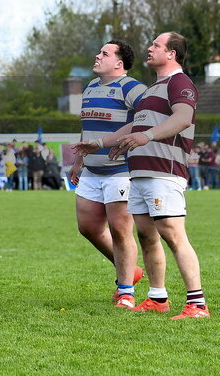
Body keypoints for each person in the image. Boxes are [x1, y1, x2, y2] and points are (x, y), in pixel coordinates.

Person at [75, 31, 210, 319]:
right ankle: (157, 298)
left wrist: (147, 136)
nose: (149, 49)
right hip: (141, 173)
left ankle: (197, 305)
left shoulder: (179, 82)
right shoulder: (152, 89)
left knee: (173, 235)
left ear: (171, 53)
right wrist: (98, 144)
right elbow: (133, 126)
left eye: (156, 45)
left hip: (164, 171)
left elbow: (183, 117)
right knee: (147, 236)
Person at [68, 41, 148, 307]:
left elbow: (147, 117)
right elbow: (87, 129)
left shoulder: (132, 87)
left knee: (120, 229)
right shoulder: (91, 86)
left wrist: (115, 141)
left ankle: (125, 291)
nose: (97, 55)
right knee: (88, 227)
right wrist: (78, 160)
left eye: (104, 53)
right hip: (91, 170)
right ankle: (130, 269)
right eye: (99, 51)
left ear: (119, 63)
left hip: (121, 170)